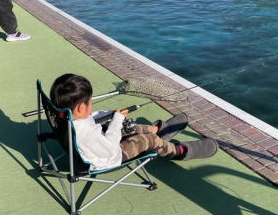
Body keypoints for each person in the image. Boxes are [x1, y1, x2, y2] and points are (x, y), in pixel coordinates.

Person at [50, 74, 218, 172]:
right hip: (113, 156)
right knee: (148, 140)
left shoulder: (65, 116)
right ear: (80, 107)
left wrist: (112, 116)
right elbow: (110, 147)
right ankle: (178, 151)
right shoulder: (86, 133)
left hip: (97, 144)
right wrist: (116, 120)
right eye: (90, 102)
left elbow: (90, 119)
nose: (91, 104)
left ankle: (155, 130)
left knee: (124, 124)